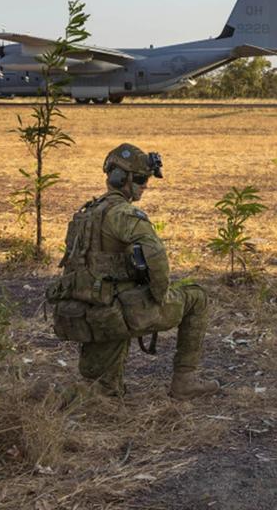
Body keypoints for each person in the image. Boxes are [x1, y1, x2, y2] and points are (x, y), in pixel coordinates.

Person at [48, 142, 218, 399]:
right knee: (196, 297)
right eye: (139, 179)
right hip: (119, 312)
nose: (144, 185)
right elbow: (156, 258)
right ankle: (185, 380)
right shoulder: (125, 215)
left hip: (89, 314)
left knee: (103, 391)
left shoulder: (86, 214)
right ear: (120, 178)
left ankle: (63, 393)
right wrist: (158, 298)